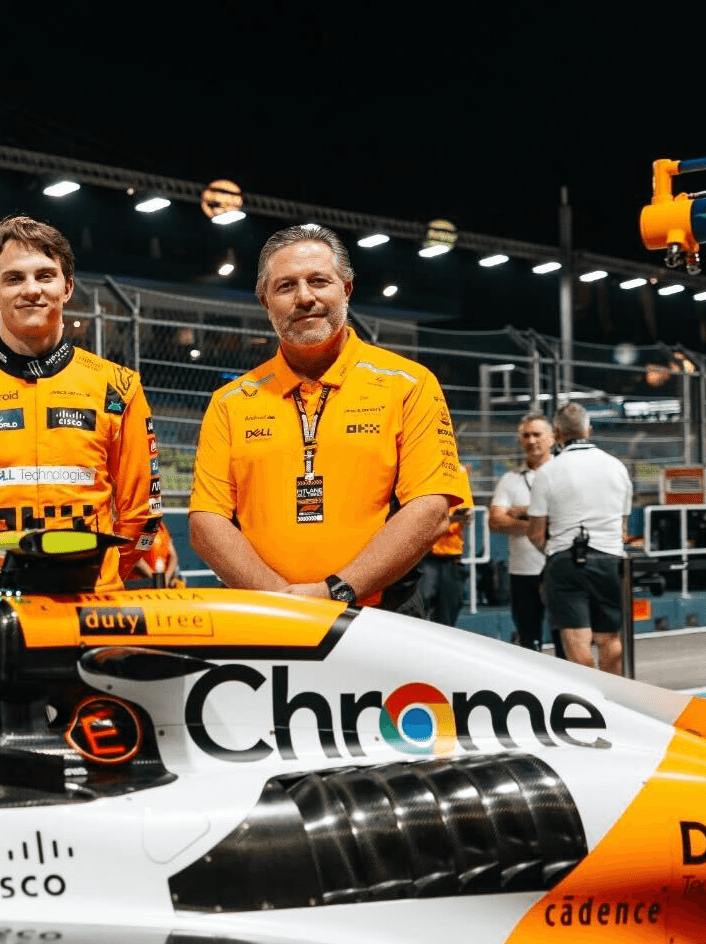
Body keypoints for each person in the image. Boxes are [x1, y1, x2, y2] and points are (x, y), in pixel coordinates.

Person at [0, 215, 171, 731]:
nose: (31, 289)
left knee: (96, 744)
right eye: (14, 278)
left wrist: (101, 575)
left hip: (92, 600)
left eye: (44, 275)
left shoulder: (117, 386)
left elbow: (140, 509)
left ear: (67, 286)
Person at [189, 224, 472, 617]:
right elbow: (207, 521)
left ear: (347, 289)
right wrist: (283, 600)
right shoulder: (230, 402)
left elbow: (431, 508)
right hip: (269, 615)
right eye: (286, 287)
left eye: (319, 281)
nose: (305, 297)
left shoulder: (409, 384)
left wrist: (336, 592)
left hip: (381, 615)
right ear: (265, 302)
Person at [524, 403, 634, 673]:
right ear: (588, 429)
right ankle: (615, 702)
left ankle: (591, 704)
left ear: (558, 433)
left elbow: (536, 533)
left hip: (565, 562)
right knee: (610, 640)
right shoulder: (617, 467)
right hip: (609, 559)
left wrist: (554, 553)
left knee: (577, 649)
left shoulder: (548, 472)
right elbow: (622, 528)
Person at [486, 414, 554, 649]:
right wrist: (538, 525)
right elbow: (495, 521)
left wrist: (520, 512)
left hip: (558, 569)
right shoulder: (510, 479)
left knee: (567, 638)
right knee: (528, 640)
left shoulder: (563, 473)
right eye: (526, 435)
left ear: (552, 438)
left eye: (537, 434)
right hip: (523, 573)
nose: (531, 440)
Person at [418, 505, 473, 624]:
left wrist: (465, 518)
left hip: (452, 558)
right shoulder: (427, 488)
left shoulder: (461, 488)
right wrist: (451, 519)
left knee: (448, 614)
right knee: (420, 609)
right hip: (428, 557)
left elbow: (467, 518)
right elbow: (423, 521)